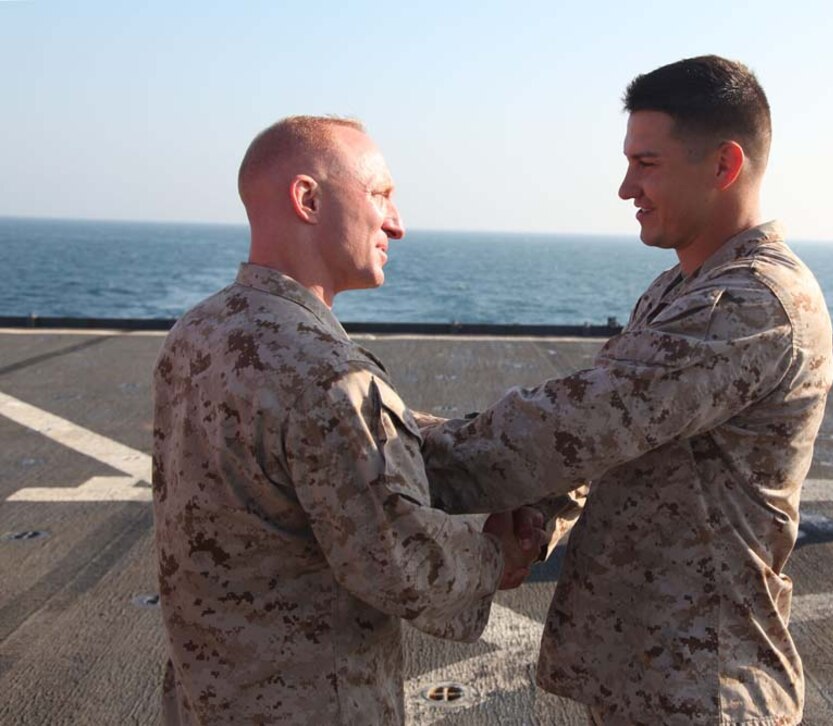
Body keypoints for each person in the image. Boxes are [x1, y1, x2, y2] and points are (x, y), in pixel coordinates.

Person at [423, 56, 833, 725]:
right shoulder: (684, 288)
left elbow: (577, 425)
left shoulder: (751, 304)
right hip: (651, 675)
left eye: (647, 163)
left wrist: (383, 440)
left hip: (705, 691)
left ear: (724, 166)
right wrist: (537, 519)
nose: (624, 188)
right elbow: (612, 445)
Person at [151, 116, 545, 725]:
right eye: (380, 194)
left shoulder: (197, 331)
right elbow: (404, 566)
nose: (397, 222)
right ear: (308, 199)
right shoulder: (327, 376)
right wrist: (497, 554)